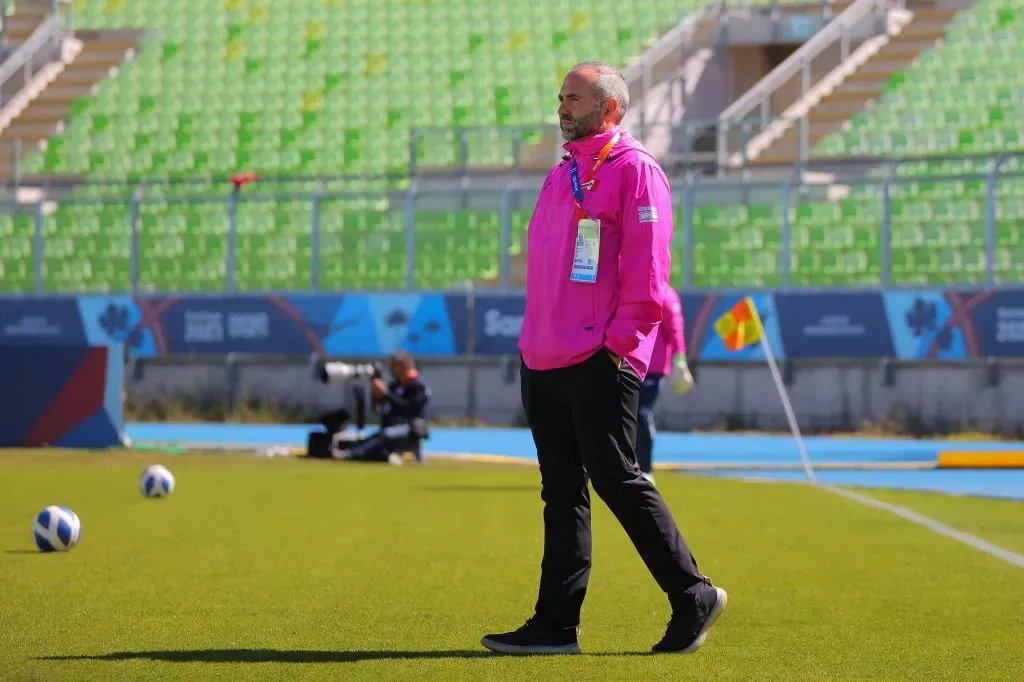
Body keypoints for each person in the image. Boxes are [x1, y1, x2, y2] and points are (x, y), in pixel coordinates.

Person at [480, 61, 726, 656]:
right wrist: (531, 344)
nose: (563, 107)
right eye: (560, 96)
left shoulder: (636, 172)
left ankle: (694, 595)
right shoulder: (563, 172)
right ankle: (555, 624)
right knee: (561, 491)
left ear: (610, 109)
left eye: (575, 98)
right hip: (543, 357)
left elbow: (648, 278)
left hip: (598, 357)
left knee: (616, 478)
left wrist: (616, 350)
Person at [315, 350, 430, 466]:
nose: (391, 370)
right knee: (373, 439)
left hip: (411, 428)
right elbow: (384, 408)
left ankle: (352, 454)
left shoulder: (417, 385)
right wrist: (376, 396)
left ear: (404, 366)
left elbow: (409, 407)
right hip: (393, 426)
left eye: (394, 367)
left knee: (385, 436)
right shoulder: (395, 385)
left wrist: (386, 394)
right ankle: (365, 454)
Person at [637, 286, 695, 484]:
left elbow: (676, 328)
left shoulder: (666, 296)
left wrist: (679, 357)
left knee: (641, 414)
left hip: (652, 367)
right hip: (625, 363)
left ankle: (645, 469)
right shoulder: (629, 287)